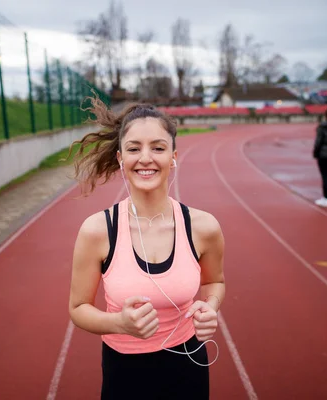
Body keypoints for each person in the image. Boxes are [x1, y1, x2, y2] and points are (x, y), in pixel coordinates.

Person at [68, 96, 225, 400]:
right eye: (134, 148)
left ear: (173, 156)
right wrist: (119, 323)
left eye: (157, 147)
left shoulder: (203, 227)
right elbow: (78, 309)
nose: (146, 158)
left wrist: (211, 306)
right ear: (120, 158)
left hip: (188, 364)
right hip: (125, 371)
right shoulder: (97, 231)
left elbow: (214, 282)